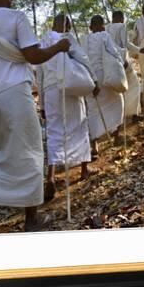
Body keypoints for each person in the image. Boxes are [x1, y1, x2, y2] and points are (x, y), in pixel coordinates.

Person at [0, 0, 70, 233]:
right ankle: (31, 219)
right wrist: (59, 47)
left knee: (3, 153)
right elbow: (33, 54)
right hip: (14, 92)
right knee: (30, 152)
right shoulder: (16, 17)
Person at [37, 14, 98, 200]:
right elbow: (83, 59)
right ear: (67, 26)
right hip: (70, 87)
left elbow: (38, 75)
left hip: (50, 91)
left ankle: (51, 178)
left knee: (54, 133)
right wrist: (93, 80)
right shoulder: (68, 40)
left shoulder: (42, 44)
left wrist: (42, 102)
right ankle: (84, 170)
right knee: (79, 126)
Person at [82, 15, 126, 155]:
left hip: (89, 79)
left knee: (93, 111)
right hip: (104, 77)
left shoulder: (84, 39)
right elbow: (114, 52)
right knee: (118, 101)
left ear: (90, 27)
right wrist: (122, 62)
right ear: (102, 26)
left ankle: (94, 145)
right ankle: (116, 135)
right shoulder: (104, 36)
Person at [106, 10, 143, 122]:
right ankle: (133, 114)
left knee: (119, 89)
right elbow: (126, 44)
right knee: (134, 84)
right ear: (121, 18)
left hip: (111, 62)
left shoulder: (107, 28)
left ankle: (119, 117)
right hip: (123, 60)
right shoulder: (122, 27)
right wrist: (139, 50)